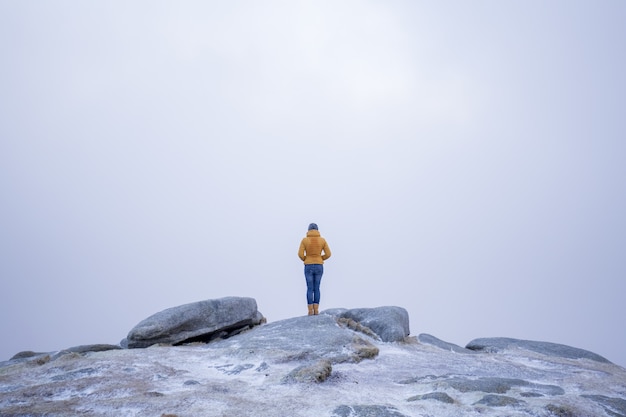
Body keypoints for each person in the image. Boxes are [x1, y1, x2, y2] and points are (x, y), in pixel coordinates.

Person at [298, 223, 331, 316]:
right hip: (319, 265)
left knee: (309, 288)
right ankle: (316, 310)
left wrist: (306, 259)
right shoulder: (322, 240)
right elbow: (328, 254)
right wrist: (320, 258)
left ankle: (310, 310)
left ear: (308, 230)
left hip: (308, 266)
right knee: (317, 287)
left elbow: (300, 254)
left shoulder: (304, 240)